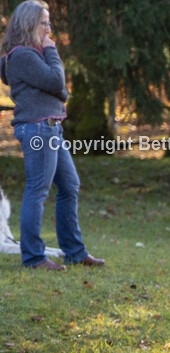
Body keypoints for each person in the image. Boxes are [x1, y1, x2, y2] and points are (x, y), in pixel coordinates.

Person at [0, 0, 103, 270]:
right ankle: (33, 257)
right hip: (38, 127)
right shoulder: (23, 55)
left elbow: (61, 91)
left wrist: (56, 83)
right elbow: (57, 82)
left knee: (70, 186)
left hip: (50, 127)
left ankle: (75, 252)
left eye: (49, 22)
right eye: (44, 22)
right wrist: (51, 50)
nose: (49, 28)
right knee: (37, 190)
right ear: (30, 23)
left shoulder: (32, 54)